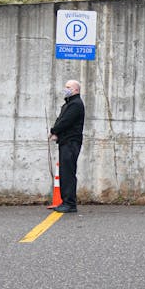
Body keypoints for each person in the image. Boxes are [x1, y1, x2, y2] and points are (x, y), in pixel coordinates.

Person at [49, 79, 85, 212]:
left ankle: (70, 203)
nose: (66, 89)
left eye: (68, 87)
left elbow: (66, 121)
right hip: (65, 142)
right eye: (65, 86)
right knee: (65, 172)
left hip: (71, 142)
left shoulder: (76, 104)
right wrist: (56, 133)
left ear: (76, 90)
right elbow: (61, 119)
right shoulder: (69, 104)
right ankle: (65, 201)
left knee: (68, 173)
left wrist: (54, 131)